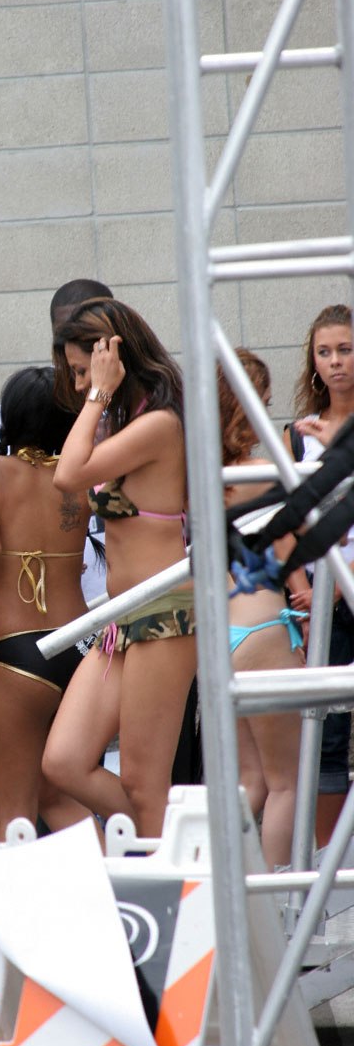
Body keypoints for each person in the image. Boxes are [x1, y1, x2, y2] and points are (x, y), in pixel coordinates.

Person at [41, 299, 196, 839]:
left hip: (163, 614)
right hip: (122, 617)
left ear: (113, 357)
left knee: (142, 784)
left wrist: (99, 394)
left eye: (84, 370)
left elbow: (68, 475)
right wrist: (101, 402)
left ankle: (168, 868)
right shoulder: (124, 424)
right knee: (64, 761)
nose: (80, 383)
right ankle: (173, 842)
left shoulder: (159, 424)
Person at [0, 367, 93, 839]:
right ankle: (109, 884)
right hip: (80, 646)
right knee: (60, 798)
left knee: (14, 815)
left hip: (20, 653)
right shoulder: (78, 479)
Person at [221, 349, 304, 869]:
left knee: (251, 783)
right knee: (287, 784)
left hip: (225, 634)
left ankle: (229, 891)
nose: (267, 416)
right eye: (263, 404)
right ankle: (281, 905)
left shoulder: (195, 474)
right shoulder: (262, 472)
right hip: (265, 627)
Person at [0, 279, 114, 605]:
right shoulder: (32, 400)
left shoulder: (144, 401)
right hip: (54, 598)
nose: (76, 345)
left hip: (135, 589)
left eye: (89, 337)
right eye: (65, 336)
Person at [284, 303, 354, 846]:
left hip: (342, 586)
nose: (335, 362)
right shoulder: (297, 434)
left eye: (345, 350)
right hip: (320, 600)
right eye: (325, 352)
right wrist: (305, 590)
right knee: (325, 732)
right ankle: (331, 866)